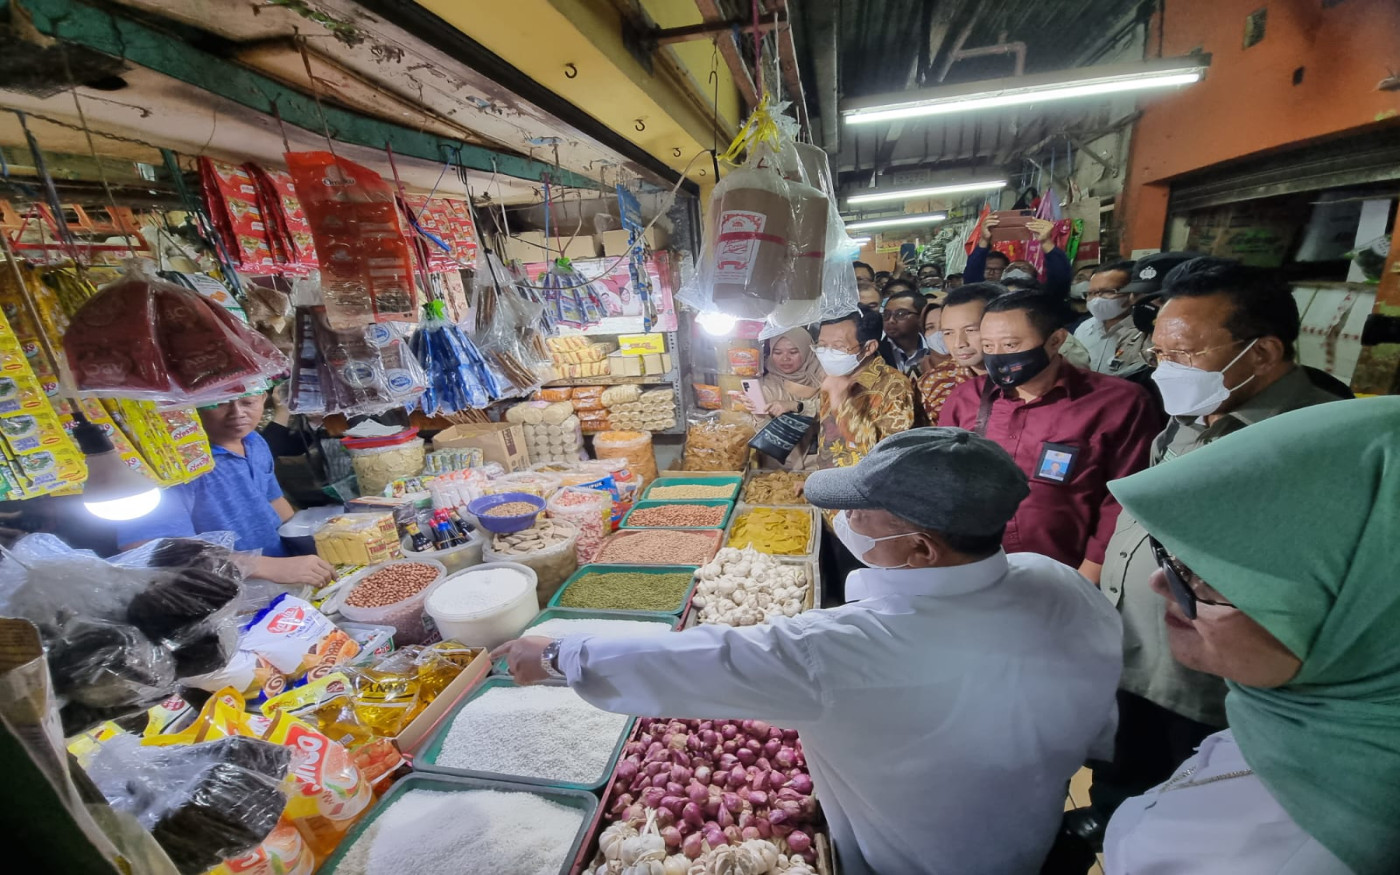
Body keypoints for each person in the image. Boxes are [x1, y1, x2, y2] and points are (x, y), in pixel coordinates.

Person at [494, 428, 1124, 875]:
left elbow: (703, 659)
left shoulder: (847, 647)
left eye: (862, 513)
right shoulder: (1055, 580)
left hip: (911, 857)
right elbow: (1099, 717)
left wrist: (559, 655)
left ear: (922, 548)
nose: (845, 520)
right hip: (1028, 827)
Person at [1079, 257, 1354, 835]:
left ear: (1263, 352)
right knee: (1122, 794)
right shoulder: (1191, 415)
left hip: (1218, 693)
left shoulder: (1326, 444)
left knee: (1198, 821)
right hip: (1138, 660)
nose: (1165, 370)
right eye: (1158, 353)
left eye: (1184, 354)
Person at [1103, 397, 1399, 875]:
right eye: (1174, 556)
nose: (1162, 582)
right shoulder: (1293, 713)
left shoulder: (1279, 853)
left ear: (1368, 617)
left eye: (1217, 578)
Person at [938, 290, 1162, 582]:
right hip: (981, 569)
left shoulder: (1117, 402)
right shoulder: (966, 399)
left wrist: (1088, 576)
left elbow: (1122, 499)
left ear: (1056, 340)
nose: (998, 356)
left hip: (1072, 572)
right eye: (989, 345)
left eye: (1011, 344)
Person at [115, 392, 335, 587]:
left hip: (287, 573)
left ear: (263, 399)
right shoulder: (174, 467)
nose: (237, 413)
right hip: (229, 591)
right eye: (219, 403)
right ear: (191, 407)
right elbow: (153, 550)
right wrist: (265, 566)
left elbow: (273, 501)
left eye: (248, 402)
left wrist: (309, 543)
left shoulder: (254, 441)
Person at [812, 312, 914, 472]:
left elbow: (889, 454)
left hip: (870, 484)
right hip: (830, 481)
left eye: (838, 346)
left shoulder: (894, 385)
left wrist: (842, 404)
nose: (828, 354)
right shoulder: (834, 377)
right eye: (822, 346)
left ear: (869, 347)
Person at [915, 283, 999, 424]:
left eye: (970, 330)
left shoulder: (1027, 379)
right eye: (948, 333)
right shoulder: (933, 383)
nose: (959, 343)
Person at [1073, 259, 1146, 377]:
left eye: (1107, 291)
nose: (1096, 299)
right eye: (1091, 293)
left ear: (1133, 293)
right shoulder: (1084, 329)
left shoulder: (1144, 332)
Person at [965, 217, 1071, 297]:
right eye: (1011, 268)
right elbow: (972, 281)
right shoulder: (991, 297)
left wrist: (1046, 242)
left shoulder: (1041, 299)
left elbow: (1060, 279)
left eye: (1023, 268)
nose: (1016, 270)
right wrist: (984, 240)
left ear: (1035, 277)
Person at [744, 327, 826, 419]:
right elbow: (762, 426)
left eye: (793, 352)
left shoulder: (826, 375)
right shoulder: (766, 388)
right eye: (778, 353)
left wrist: (794, 406)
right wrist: (759, 414)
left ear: (807, 351)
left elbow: (834, 408)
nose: (785, 358)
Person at [880, 284, 929, 375]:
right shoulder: (876, 352)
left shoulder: (936, 348)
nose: (891, 320)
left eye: (900, 314)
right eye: (886, 314)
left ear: (921, 317)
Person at [918, 299, 951, 373]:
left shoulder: (974, 366)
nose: (939, 332)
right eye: (930, 327)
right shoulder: (916, 372)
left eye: (943, 324)